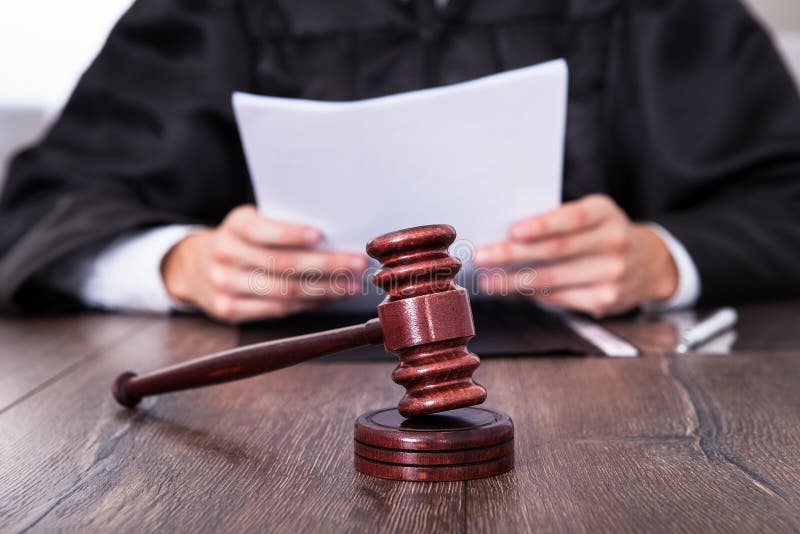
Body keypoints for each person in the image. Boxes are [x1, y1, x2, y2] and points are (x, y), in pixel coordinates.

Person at [1, 0, 799, 323]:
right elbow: (47, 207)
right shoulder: (223, 8)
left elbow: (784, 194)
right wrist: (180, 264)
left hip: (621, 417)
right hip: (276, 413)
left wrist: (661, 259)